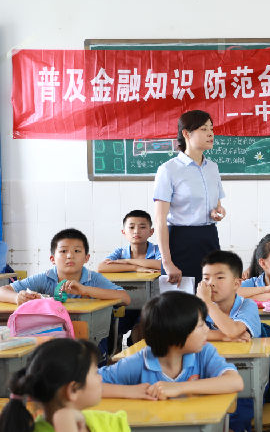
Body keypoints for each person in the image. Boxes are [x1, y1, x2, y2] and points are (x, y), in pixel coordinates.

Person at [98, 292, 246, 432]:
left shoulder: (204, 353)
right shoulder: (140, 362)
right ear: (176, 333)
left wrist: (179, 388)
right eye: (200, 326)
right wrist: (129, 391)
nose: (207, 330)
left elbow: (235, 381)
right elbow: (85, 385)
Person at [0, 338, 141, 432]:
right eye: (95, 373)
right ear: (73, 390)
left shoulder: (110, 422)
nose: (100, 378)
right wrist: (65, 421)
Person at [153, 110, 226, 284]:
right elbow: (160, 219)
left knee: (212, 294)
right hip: (181, 241)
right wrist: (167, 262)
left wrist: (218, 212)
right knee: (181, 298)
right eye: (204, 129)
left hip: (210, 238)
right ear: (186, 133)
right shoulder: (168, 170)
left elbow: (217, 205)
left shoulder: (213, 168)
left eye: (211, 128)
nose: (211, 134)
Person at [0, 228, 130, 307]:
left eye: (77, 251)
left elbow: (125, 298)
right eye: (63, 251)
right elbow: (2, 291)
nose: (70, 256)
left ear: (86, 258)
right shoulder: (45, 278)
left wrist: (85, 290)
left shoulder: (93, 279)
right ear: (52, 259)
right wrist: (17, 298)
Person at [198, 250, 260, 341]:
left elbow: (233, 331)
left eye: (220, 277)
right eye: (206, 278)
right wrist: (224, 336)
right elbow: (187, 333)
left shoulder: (248, 305)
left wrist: (207, 302)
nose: (211, 283)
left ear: (236, 284)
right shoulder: (200, 307)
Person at [97, 210, 162, 273]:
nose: (136, 231)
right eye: (131, 227)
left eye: (142, 227)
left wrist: (127, 261)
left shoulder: (158, 249)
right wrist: (136, 268)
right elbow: (101, 267)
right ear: (124, 232)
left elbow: (162, 265)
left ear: (151, 232)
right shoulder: (120, 252)